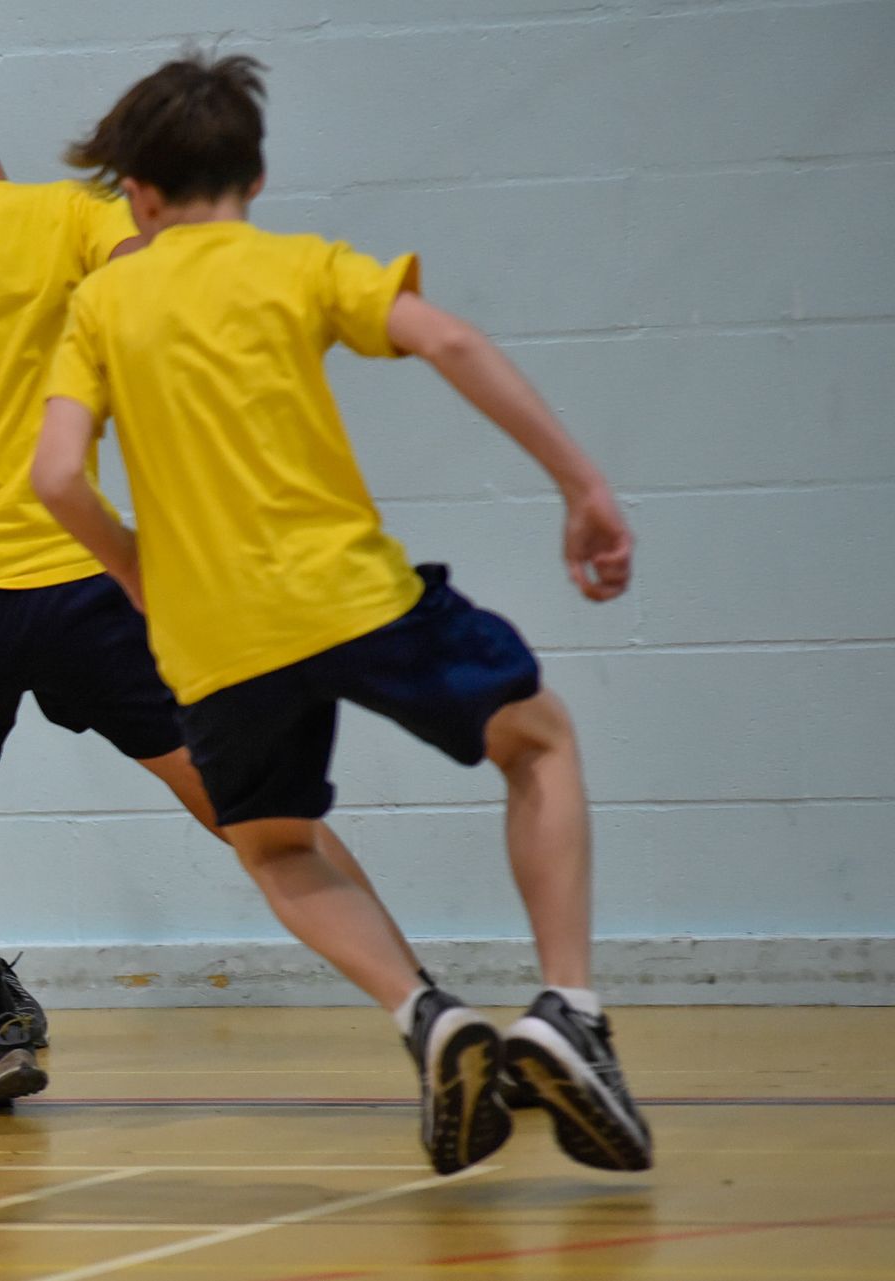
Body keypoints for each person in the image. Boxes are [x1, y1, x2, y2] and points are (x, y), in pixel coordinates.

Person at [32, 54, 652, 1174]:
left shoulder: (103, 301)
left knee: (274, 847)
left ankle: (426, 1016)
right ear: (255, 176)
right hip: (351, 593)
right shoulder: (301, 265)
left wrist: (136, 574)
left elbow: (58, 478)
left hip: (212, 637)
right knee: (538, 737)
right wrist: (582, 486)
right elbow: (451, 341)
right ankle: (567, 1008)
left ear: (139, 193)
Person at [0, 16, 430, 1110]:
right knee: (250, 796)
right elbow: (175, 297)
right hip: (87, 579)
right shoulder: (83, 221)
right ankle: (428, 1011)